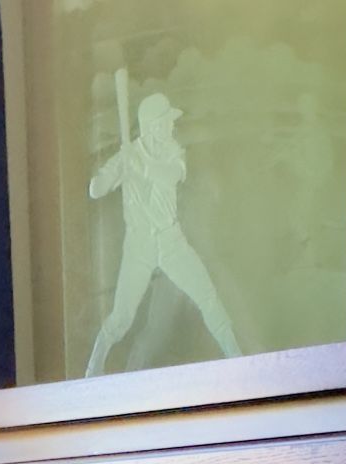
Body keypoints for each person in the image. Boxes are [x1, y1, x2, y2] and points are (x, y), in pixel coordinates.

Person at [86, 70, 241, 376]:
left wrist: (140, 166)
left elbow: (170, 175)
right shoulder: (128, 156)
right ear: (153, 126)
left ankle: (237, 358)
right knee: (121, 318)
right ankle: (93, 367)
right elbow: (95, 190)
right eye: (167, 121)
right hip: (139, 245)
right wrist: (117, 166)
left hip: (171, 240)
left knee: (207, 297)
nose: (172, 125)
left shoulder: (172, 151)